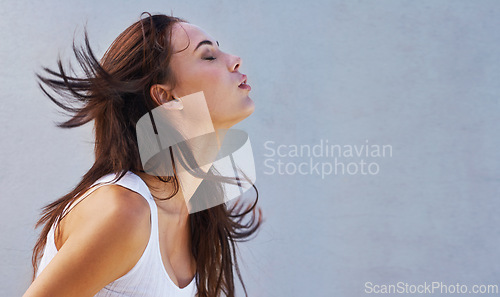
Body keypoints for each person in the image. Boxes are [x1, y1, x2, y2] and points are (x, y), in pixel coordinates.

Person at [23, 12, 263, 297]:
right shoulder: (125, 211)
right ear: (166, 97)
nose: (235, 59)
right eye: (208, 56)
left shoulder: (196, 211)